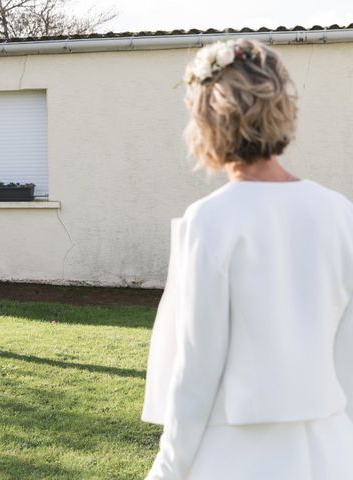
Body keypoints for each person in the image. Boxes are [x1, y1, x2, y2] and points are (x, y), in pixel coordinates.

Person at [142, 39, 353, 479]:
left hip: (237, 455)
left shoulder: (212, 221)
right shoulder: (340, 212)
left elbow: (197, 369)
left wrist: (168, 468)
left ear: (208, 122)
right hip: (331, 451)